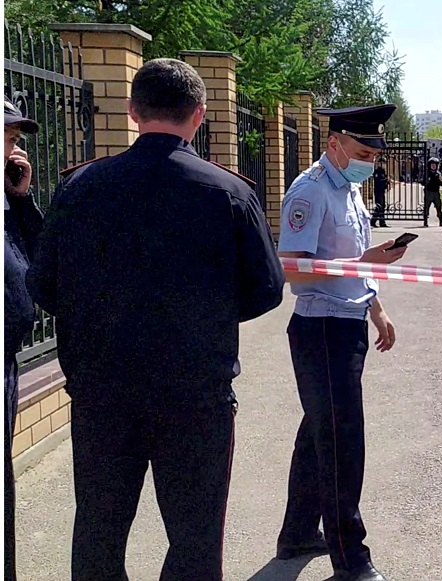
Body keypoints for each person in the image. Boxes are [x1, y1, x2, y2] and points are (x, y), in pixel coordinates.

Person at [26, 58, 286, 580]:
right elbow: (267, 290)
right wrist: (206, 317)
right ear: (200, 114)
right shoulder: (230, 193)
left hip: (103, 393)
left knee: (99, 532)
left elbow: (43, 285)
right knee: (195, 539)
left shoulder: (80, 187)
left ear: (132, 110)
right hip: (194, 395)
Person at [276, 103, 407, 581]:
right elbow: (293, 269)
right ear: (334, 144)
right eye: (363, 153)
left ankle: (296, 533)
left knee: (320, 433)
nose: (369, 162)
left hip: (347, 323)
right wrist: (366, 262)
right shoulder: (310, 191)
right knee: (342, 443)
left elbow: (353, 261)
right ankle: (351, 560)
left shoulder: (347, 189)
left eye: (374, 156)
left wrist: (376, 308)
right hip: (322, 331)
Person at [4, 98, 42, 581]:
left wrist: (21, 198)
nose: (16, 149)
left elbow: (39, 258)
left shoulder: (7, 199)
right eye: (9, 137)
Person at [422, 157, 442, 227]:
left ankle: (441, 221)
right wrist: (427, 181)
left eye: (435, 165)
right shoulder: (427, 173)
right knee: (426, 207)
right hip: (428, 192)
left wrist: (441, 180)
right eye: (432, 165)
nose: (433, 166)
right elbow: (422, 182)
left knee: (439, 207)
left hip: (436, 193)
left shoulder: (438, 174)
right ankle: (425, 221)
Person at [371, 159, 389, 228]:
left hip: (382, 190)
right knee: (379, 207)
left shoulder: (383, 171)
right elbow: (377, 181)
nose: (384, 164)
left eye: (384, 163)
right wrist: (385, 180)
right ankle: (373, 221)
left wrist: (387, 182)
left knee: (382, 206)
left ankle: (382, 222)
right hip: (378, 191)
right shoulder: (377, 171)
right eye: (382, 163)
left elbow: (385, 180)